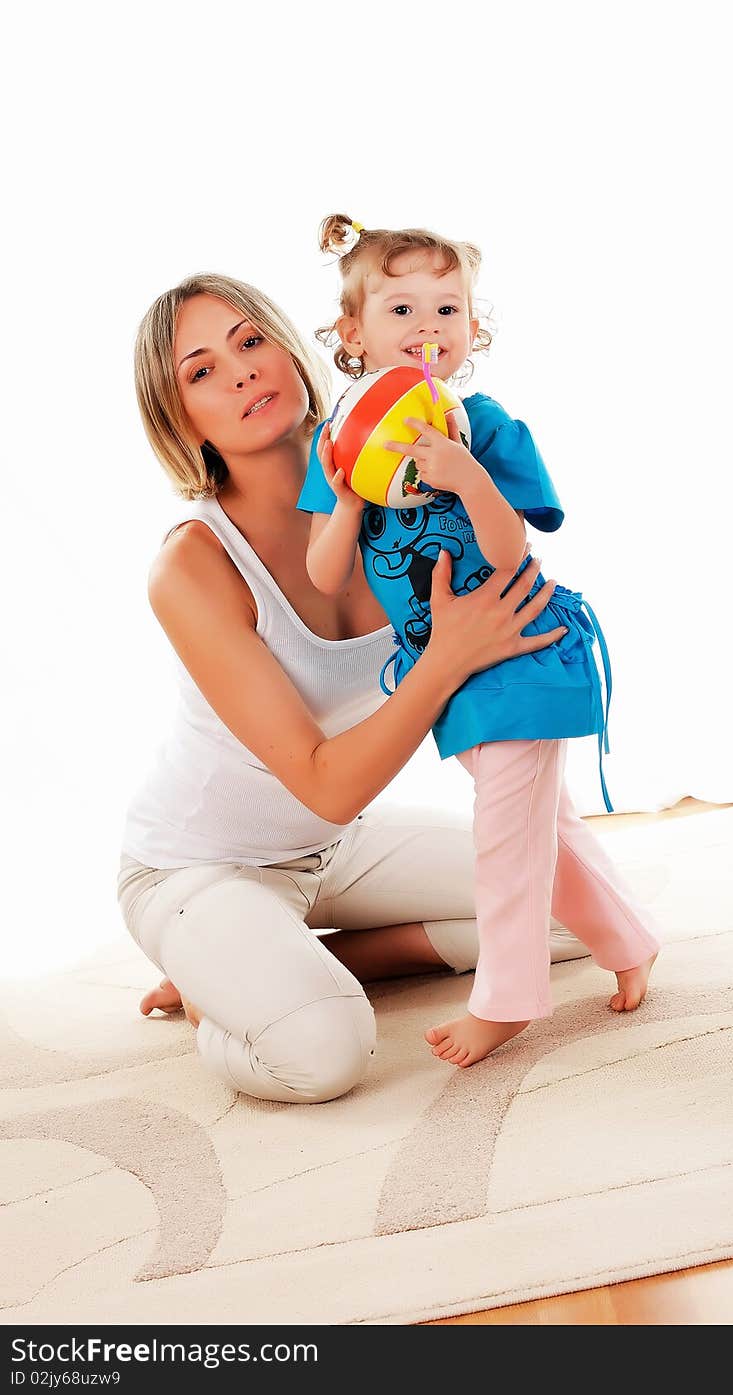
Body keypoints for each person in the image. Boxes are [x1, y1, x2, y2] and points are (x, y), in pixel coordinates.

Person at [120, 271, 609, 1106]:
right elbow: (324, 778)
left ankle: (294, 962)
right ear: (180, 419)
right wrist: (445, 659)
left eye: (248, 341)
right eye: (200, 371)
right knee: (323, 1052)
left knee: (572, 905)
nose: (239, 372)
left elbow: (501, 541)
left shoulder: (392, 477)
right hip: (199, 867)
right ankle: (214, 990)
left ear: (289, 347)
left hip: (334, 847)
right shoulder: (193, 565)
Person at [300, 216, 661, 1068]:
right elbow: (325, 574)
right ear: (353, 333)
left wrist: (465, 475)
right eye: (401, 309)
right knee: (544, 825)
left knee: (503, 831)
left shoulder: (482, 422)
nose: (428, 326)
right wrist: (349, 500)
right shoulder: (341, 437)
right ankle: (630, 938)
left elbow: (508, 549)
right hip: (445, 669)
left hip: (520, 646)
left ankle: (505, 998)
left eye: (448, 308)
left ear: (471, 328)